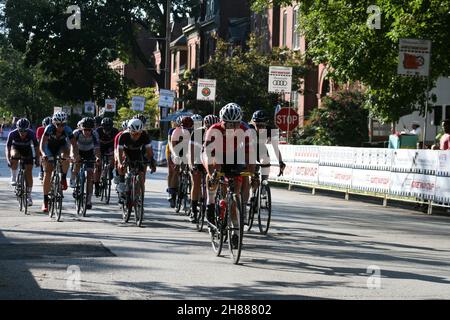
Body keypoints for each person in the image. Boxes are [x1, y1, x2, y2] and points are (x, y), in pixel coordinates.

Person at [203, 103, 255, 248]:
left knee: (235, 191)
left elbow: (250, 155)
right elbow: (207, 154)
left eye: (235, 124)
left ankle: (236, 231)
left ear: (240, 122)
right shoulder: (214, 130)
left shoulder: (245, 130)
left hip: (234, 156)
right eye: (228, 124)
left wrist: (252, 172)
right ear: (222, 121)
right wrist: (211, 172)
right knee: (213, 174)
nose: (232, 127)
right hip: (216, 154)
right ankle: (211, 203)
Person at [40, 112, 80, 213]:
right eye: (58, 125)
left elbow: (74, 145)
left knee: (66, 155)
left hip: (61, 147)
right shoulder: (49, 128)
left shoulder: (68, 130)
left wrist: (72, 155)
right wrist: (44, 154)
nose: (61, 127)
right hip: (49, 148)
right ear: (54, 123)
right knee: (48, 172)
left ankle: (63, 177)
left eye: (63, 125)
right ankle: (45, 201)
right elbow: (42, 144)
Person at [188, 114, 219, 223]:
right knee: (196, 183)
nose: (210, 130)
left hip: (211, 159)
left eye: (212, 127)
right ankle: (193, 209)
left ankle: (212, 204)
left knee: (215, 179)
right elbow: (191, 152)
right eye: (207, 127)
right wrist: (192, 166)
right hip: (197, 159)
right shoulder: (196, 132)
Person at [116, 119, 156, 197]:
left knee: (141, 174)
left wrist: (152, 162)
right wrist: (120, 163)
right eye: (134, 134)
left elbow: (149, 151)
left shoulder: (144, 135)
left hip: (138, 151)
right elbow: (119, 152)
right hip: (126, 151)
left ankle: (139, 197)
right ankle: (121, 182)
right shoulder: (124, 136)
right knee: (121, 165)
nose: (136, 136)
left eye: (138, 134)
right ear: (129, 130)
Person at [5, 118, 40, 206]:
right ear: (17, 129)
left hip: (27, 150)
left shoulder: (32, 134)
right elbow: (8, 148)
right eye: (20, 131)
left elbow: (36, 147)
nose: (23, 133)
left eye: (25, 131)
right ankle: (13, 176)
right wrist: (8, 159)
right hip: (15, 148)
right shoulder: (12, 134)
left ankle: (28, 195)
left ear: (28, 129)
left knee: (29, 172)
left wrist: (37, 159)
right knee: (14, 155)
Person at [70, 117, 101, 210]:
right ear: (81, 128)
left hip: (89, 152)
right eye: (85, 130)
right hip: (78, 150)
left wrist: (98, 157)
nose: (87, 132)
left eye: (89, 130)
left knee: (90, 174)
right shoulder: (76, 133)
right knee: (77, 164)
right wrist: (73, 156)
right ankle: (73, 177)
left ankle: (88, 199)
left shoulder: (95, 134)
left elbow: (97, 149)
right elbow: (72, 146)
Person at [94, 117, 119, 197]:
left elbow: (118, 145)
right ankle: (97, 186)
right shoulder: (97, 131)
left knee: (112, 158)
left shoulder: (115, 131)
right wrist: (97, 156)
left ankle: (110, 171)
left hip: (110, 147)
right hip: (100, 147)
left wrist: (114, 154)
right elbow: (95, 145)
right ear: (102, 126)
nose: (107, 130)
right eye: (105, 128)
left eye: (109, 128)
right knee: (98, 166)